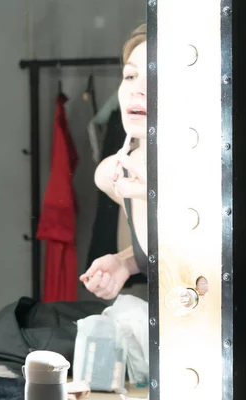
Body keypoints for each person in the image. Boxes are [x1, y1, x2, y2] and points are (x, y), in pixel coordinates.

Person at [80, 24, 147, 300]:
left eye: (158, 76)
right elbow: (161, 244)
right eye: (130, 76)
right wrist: (127, 262)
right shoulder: (117, 174)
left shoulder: (216, 174)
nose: (137, 89)